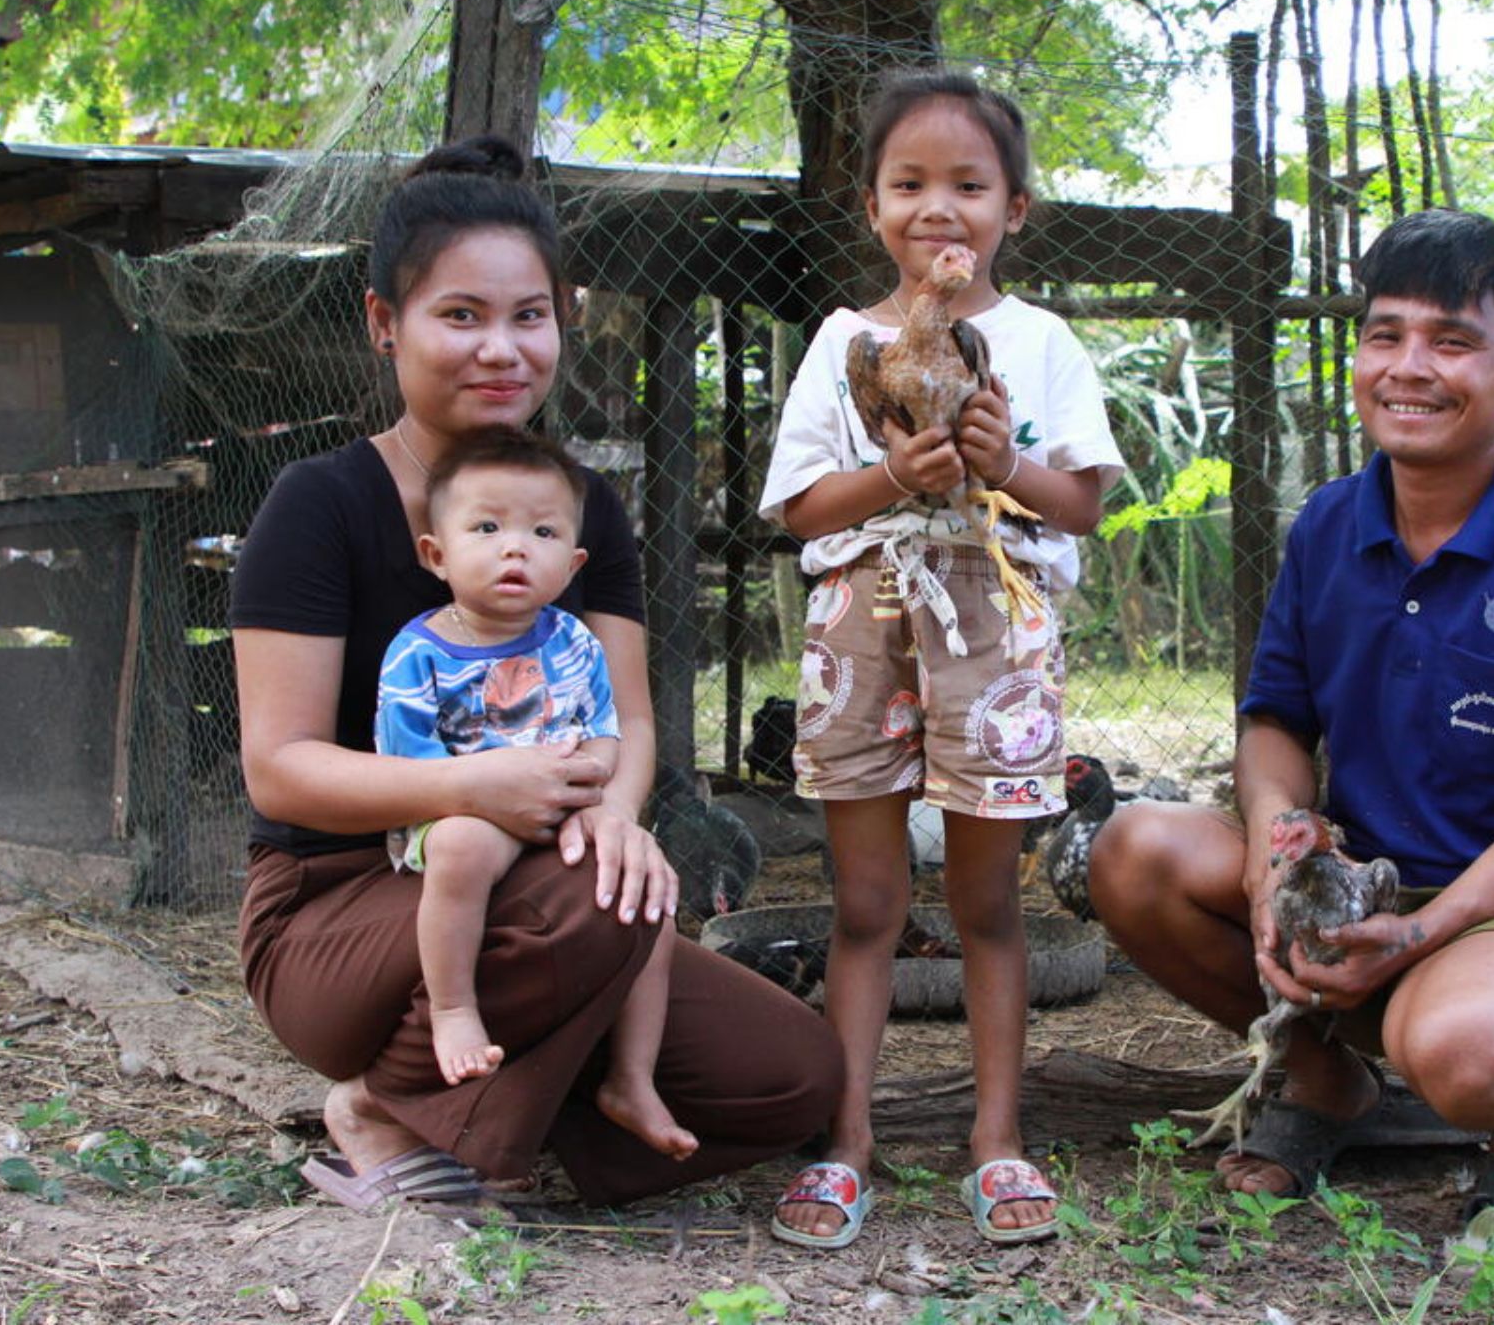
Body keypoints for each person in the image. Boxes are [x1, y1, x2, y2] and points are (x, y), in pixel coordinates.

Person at [233, 135, 841, 1212]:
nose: (500, 349)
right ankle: (374, 1109)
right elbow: (280, 773)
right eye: (458, 315)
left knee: (792, 1074)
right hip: (337, 907)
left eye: (528, 316)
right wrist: (470, 790)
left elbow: (630, 717)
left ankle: (503, 1101)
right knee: (580, 904)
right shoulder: (318, 504)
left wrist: (614, 815)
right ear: (385, 326)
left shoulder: (580, 512)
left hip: (543, 890)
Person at [1091, 209, 1494, 1230]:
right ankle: (1322, 1084)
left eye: (1450, 342)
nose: (1407, 368)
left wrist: (1423, 931)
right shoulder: (1328, 524)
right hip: (1353, 881)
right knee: (1132, 850)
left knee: (1462, 1057)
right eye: (1384, 334)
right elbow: (1272, 723)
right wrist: (1275, 853)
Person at [757, 69, 1124, 1247]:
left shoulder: (1042, 341)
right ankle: (847, 1140)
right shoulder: (839, 343)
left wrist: (1000, 463)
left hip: (993, 632)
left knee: (984, 903)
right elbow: (804, 509)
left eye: (968, 185)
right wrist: (895, 477)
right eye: (908, 183)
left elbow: (1079, 505)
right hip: (863, 623)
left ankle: (995, 1140)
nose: (937, 209)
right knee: (866, 903)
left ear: (1012, 210)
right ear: (870, 206)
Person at [375, 426, 694, 1160]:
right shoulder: (416, 651)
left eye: (542, 531)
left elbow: (606, 734)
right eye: (486, 527)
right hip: (461, 815)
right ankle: (455, 1010)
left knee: (647, 894)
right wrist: (495, 796)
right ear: (437, 553)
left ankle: (632, 1076)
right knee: (460, 844)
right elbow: (413, 772)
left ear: (574, 560)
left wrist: (595, 802)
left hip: (562, 808)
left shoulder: (574, 641)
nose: (515, 547)